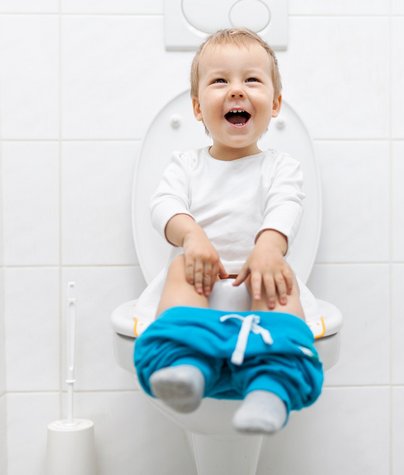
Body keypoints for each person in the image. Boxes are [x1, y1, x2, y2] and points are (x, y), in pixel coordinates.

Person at [134, 28, 323, 435]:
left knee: (279, 280)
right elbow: (163, 204)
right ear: (198, 108)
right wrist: (191, 237)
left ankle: (270, 390)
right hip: (199, 286)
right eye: (220, 80)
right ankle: (187, 368)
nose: (236, 90)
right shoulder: (186, 163)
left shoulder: (281, 166)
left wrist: (269, 247)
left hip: (261, 284)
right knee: (182, 269)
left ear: (274, 104)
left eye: (251, 79)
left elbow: (286, 205)